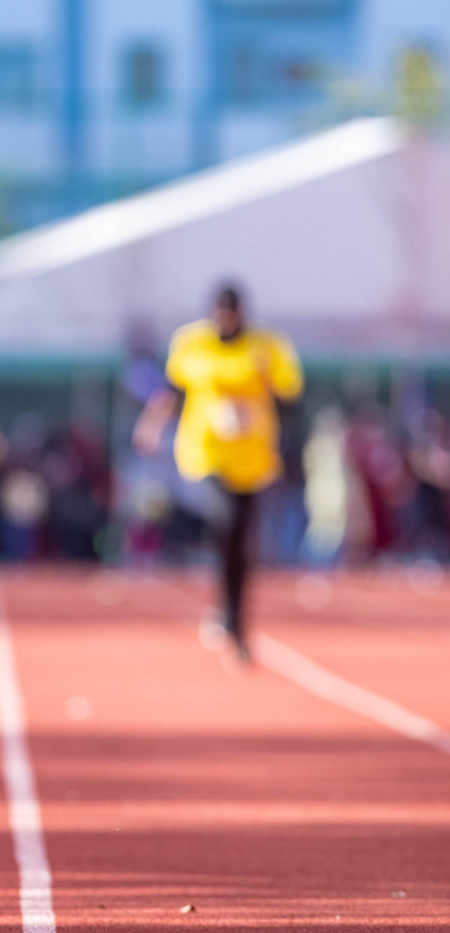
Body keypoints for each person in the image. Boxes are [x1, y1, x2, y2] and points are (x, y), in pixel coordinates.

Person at [134, 284, 303, 663]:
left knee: (242, 541)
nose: (226, 319)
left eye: (233, 312)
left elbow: (288, 395)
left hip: (254, 457)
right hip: (207, 453)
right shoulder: (191, 344)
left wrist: (289, 447)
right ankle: (228, 616)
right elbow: (171, 391)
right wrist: (152, 424)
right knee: (224, 521)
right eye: (220, 312)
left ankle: (234, 617)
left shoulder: (267, 346)